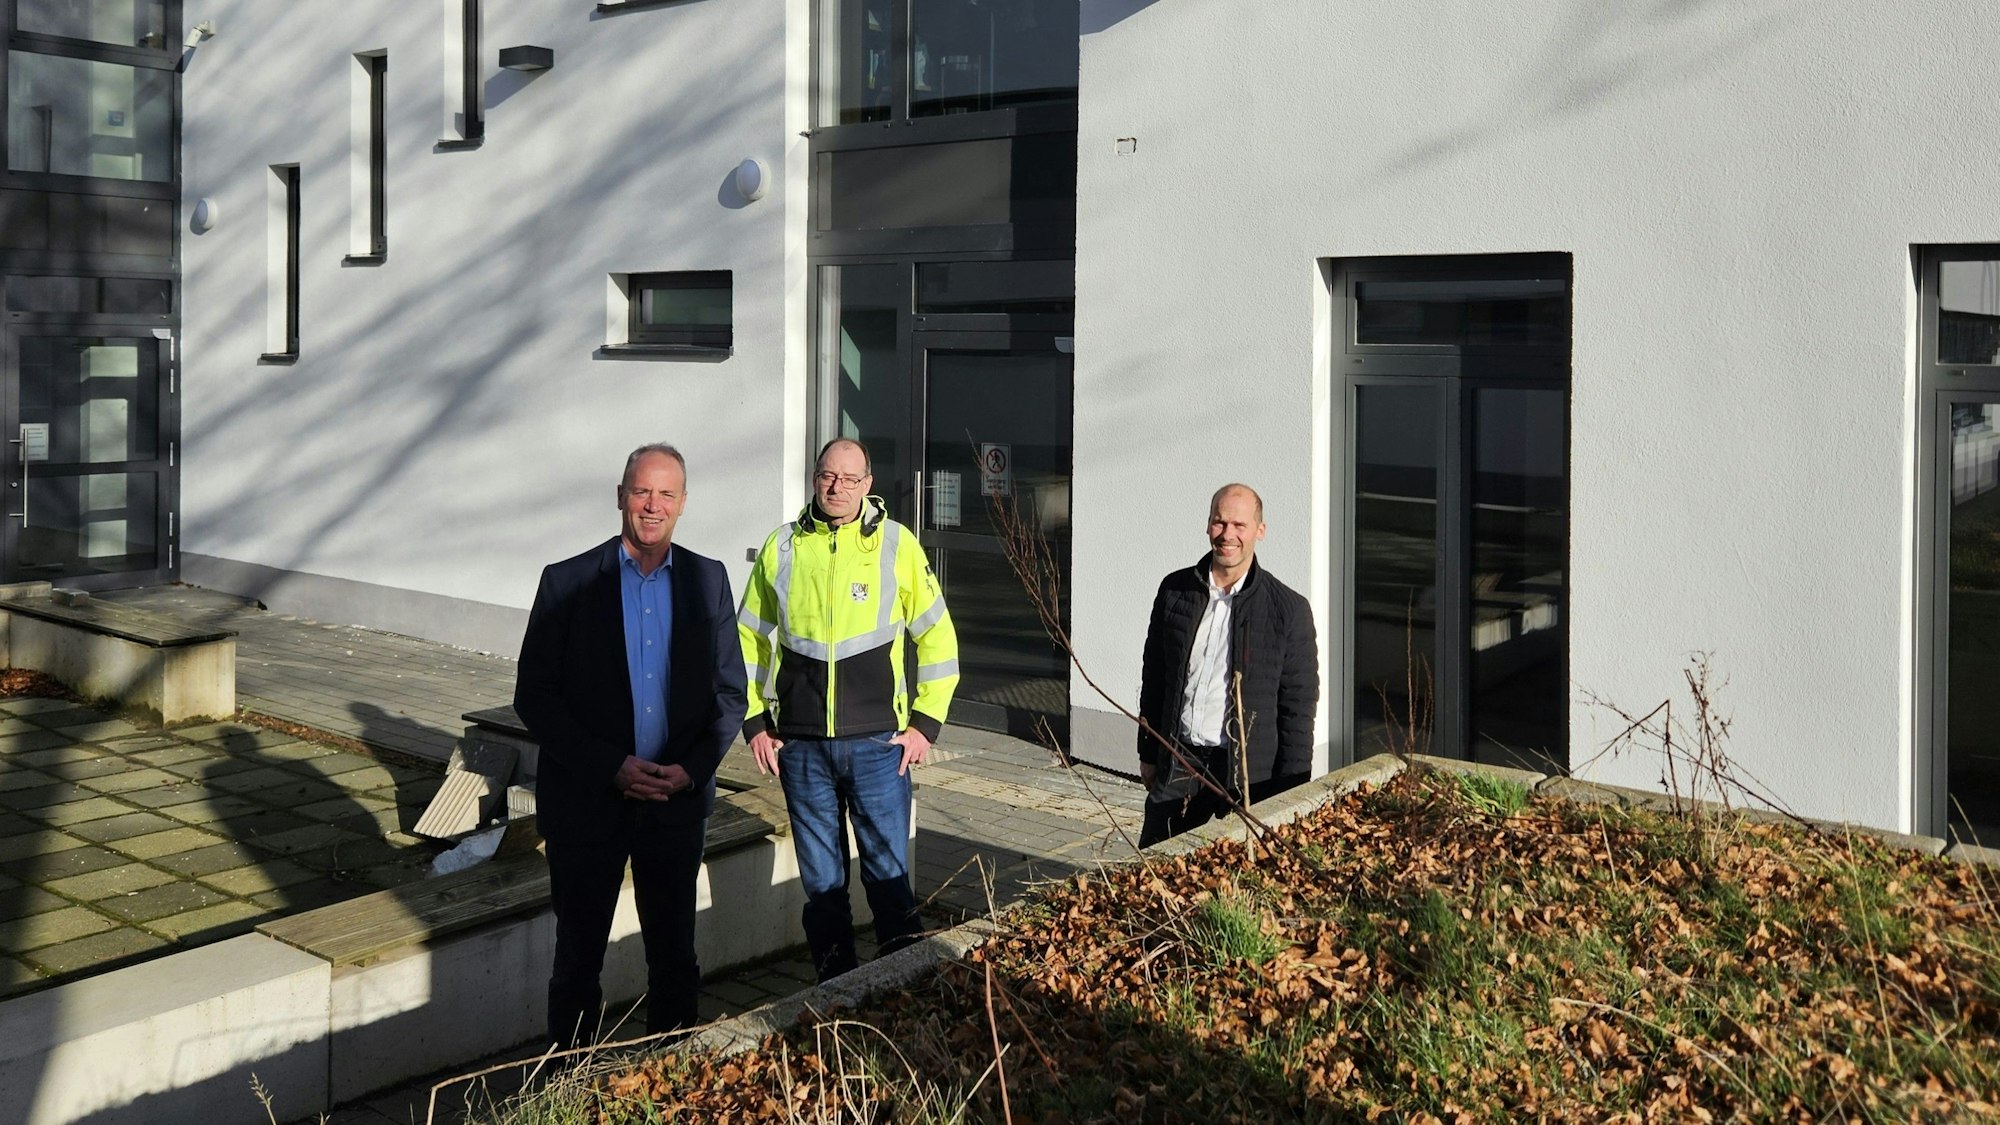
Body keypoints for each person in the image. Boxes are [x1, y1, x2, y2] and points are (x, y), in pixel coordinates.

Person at [514, 443, 747, 1049]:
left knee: (675, 959)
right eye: (642, 491)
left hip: (674, 806)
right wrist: (609, 766)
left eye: (666, 494)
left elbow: (730, 696)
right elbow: (534, 697)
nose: (652, 505)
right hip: (589, 805)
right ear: (621, 497)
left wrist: (690, 772)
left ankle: (669, 1086)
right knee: (577, 964)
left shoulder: (709, 579)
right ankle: (567, 1091)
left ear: (683, 504)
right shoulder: (566, 583)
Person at [738, 438, 959, 981]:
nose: (837, 488)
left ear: (869, 485)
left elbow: (938, 638)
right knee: (822, 885)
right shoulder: (782, 548)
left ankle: (905, 985)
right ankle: (834, 990)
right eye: (827, 477)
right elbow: (747, 641)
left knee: (887, 875)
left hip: (879, 744)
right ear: (815, 479)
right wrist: (754, 724)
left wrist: (925, 726)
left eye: (850, 479)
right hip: (802, 745)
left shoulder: (896, 546)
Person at [1136, 483, 1318, 847]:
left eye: (1239, 525)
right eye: (1220, 523)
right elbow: (1155, 676)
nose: (1228, 535)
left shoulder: (1288, 611)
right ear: (1208, 525)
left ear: (1259, 531)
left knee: (1238, 880)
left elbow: (1297, 710)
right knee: (1154, 868)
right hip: (1181, 760)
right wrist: (1148, 752)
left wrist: (1290, 794)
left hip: (1249, 776)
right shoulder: (1175, 591)